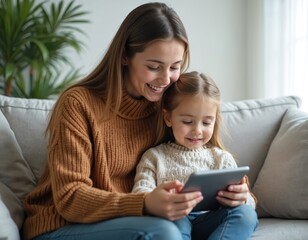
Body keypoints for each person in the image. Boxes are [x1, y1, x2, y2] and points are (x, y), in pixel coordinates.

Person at [22, 2, 204, 240]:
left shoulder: (168, 106)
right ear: (124, 56)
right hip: (60, 225)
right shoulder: (78, 103)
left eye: (175, 67)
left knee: (235, 214)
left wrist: (238, 193)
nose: (165, 79)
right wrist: (145, 203)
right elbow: (70, 197)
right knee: (163, 232)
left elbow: (206, 157)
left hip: (131, 222)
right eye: (153, 67)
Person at [132, 71, 258, 240]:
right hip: (173, 221)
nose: (197, 130)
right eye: (187, 121)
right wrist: (159, 201)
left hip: (211, 222)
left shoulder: (221, 158)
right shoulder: (154, 157)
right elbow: (140, 193)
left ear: (215, 120)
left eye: (206, 122)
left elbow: (249, 204)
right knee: (177, 218)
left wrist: (241, 198)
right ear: (168, 118)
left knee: (246, 215)